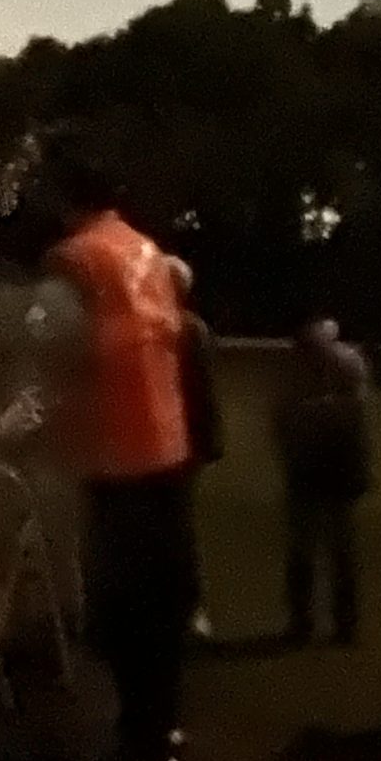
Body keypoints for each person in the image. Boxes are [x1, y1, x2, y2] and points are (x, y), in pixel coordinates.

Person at [38, 140, 197, 761]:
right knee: (165, 596)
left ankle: (141, 732)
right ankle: (164, 721)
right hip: (169, 443)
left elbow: (50, 346)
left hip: (116, 450)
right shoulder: (148, 251)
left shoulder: (73, 259)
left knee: (123, 606)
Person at [274, 316, 373, 647]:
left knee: (327, 549)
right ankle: (317, 623)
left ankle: (318, 624)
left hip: (328, 469)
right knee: (323, 549)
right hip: (320, 469)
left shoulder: (328, 367)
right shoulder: (335, 365)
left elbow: (287, 419)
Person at [166, 258, 224, 642]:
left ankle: (189, 609)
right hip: (166, 442)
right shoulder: (175, 328)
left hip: (178, 445)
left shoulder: (188, 330)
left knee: (178, 528)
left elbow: (203, 393)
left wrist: (206, 442)